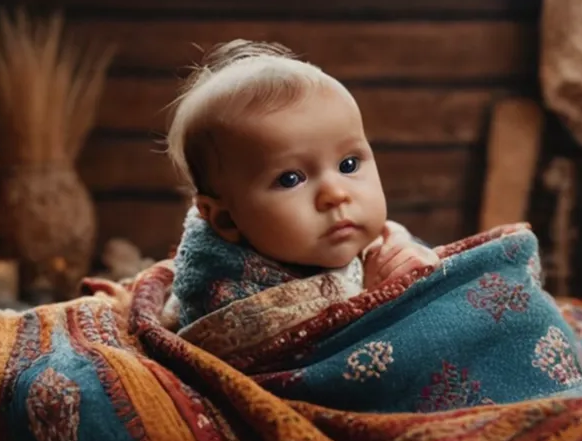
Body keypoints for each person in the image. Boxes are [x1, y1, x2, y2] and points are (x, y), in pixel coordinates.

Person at [165, 40, 439, 322]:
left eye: (348, 165)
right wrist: (374, 295)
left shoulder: (378, 240)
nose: (335, 194)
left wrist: (402, 257)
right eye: (290, 179)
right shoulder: (232, 299)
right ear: (227, 220)